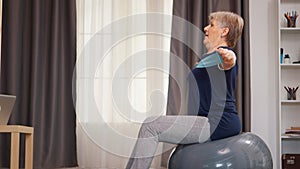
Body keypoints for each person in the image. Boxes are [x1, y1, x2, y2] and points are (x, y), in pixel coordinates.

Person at [126, 11, 244, 169]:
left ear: (224, 31)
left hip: (218, 123)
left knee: (151, 126)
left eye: (212, 25)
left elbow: (230, 60)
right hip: (212, 121)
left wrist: (229, 56)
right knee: (149, 125)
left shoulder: (222, 55)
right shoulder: (209, 58)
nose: (206, 28)